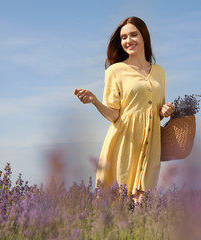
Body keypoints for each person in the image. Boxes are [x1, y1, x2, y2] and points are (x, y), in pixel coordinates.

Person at [74, 16, 174, 200]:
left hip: (151, 145)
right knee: (117, 206)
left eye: (133, 35)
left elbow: (155, 111)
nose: (128, 41)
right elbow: (114, 115)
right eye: (124, 37)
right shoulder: (115, 71)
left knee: (143, 206)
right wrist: (95, 101)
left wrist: (164, 111)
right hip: (124, 142)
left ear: (144, 37)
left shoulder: (160, 72)